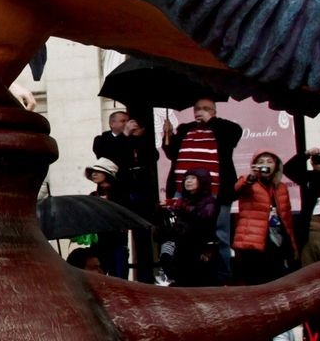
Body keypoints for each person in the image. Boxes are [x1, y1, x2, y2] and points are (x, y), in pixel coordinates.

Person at [164, 99, 243, 278]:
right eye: (198, 108)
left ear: (214, 111)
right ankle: (184, 273)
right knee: (181, 232)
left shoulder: (224, 128)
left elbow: (234, 135)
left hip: (215, 192)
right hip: (184, 190)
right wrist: (167, 135)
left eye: (206, 108)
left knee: (219, 234)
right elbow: (172, 153)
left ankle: (222, 275)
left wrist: (211, 121)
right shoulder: (185, 129)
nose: (201, 111)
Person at [94, 110, 158, 277]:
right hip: (117, 195)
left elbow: (153, 156)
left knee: (143, 237)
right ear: (112, 124)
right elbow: (110, 158)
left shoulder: (134, 140)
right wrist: (125, 135)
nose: (127, 124)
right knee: (117, 240)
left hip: (138, 193)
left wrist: (139, 138)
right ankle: (118, 276)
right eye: (122, 121)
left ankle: (146, 278)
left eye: (128, 121)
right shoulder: (102, 140)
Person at [230, 150, 295, 285]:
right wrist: (251, 177)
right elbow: (237, 189)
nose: (265, 165)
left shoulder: (281, 187)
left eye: (269, 162)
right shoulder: (249, 182)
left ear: (276, 166)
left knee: (277, 282)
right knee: (255, 284)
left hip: (276, 240)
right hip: (252, 243)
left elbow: (287, 218)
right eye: (261, 162)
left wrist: (292, 246)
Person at [160, 171, 222, 286]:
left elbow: (205, 217)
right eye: (186, 178)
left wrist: (183, 207)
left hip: (201, 248)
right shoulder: (182, 200)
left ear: (202, 181)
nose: (188, 181)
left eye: (193, 178)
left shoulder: (210, 201)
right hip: (183, 249)